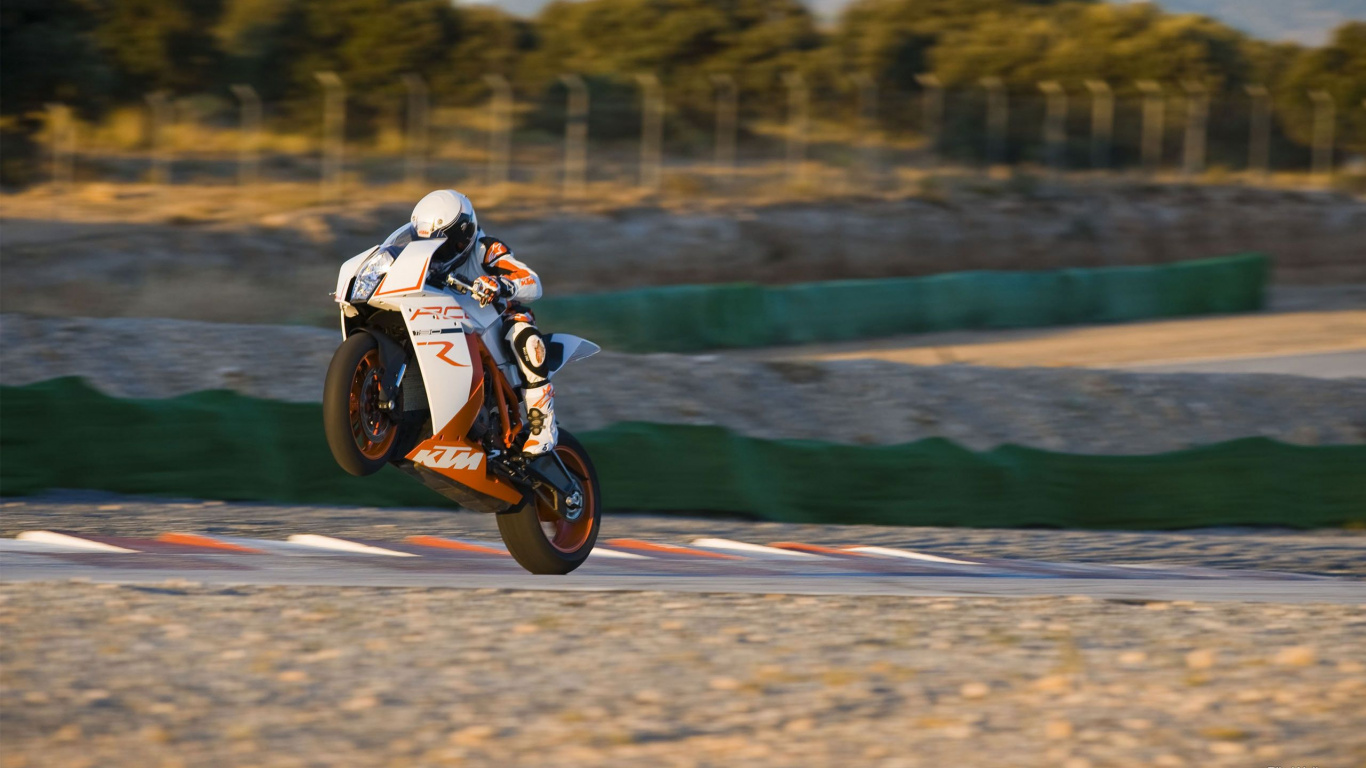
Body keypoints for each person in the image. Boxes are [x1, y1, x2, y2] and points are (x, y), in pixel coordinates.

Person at [399, 189, 557, 456]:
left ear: (463, 236)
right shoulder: (423, 258)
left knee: (523, 335)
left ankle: (543, 422)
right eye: (426, 244)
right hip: (447, 321)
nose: (435, 253)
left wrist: (501, 284)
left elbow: (532, 281)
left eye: (442, 245)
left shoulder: (487, 249)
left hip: (490, 323)